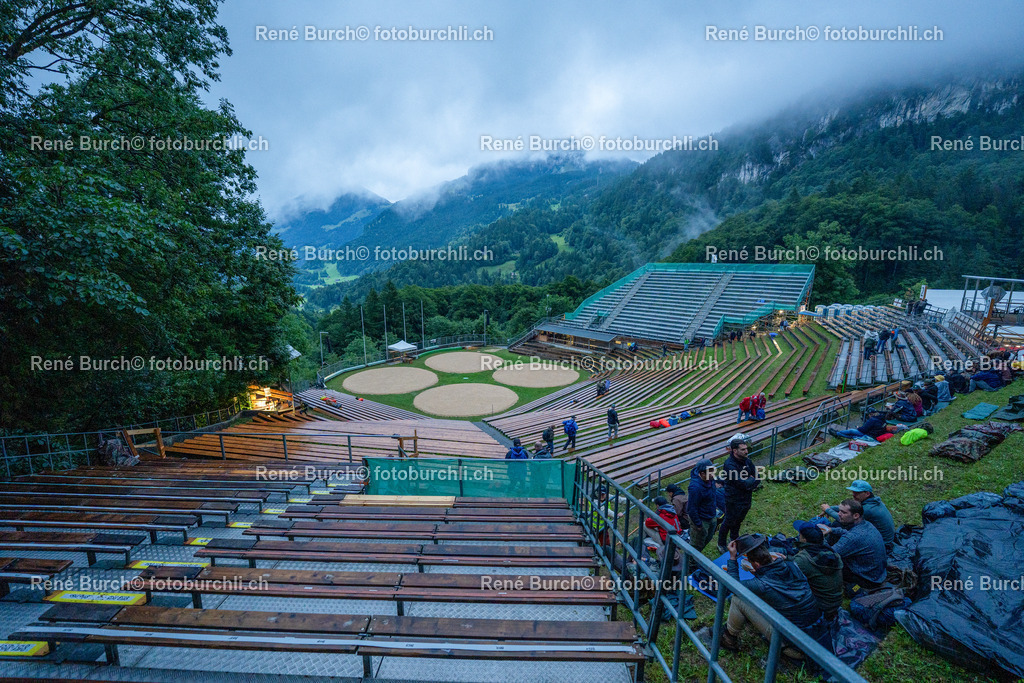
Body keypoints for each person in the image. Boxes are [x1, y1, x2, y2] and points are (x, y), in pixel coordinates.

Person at [719, 534, 829, 659]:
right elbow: (779, 584)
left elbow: (733, 586)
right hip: (817, 636)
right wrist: (759, 572)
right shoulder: (792, 565)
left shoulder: (762, 585)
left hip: (796, 648)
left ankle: (728, 638)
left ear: (756, 564)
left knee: (737, 599)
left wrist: (732, 558)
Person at [826, 499, 888, 591]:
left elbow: (829, 555)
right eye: (839, 511)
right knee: (835, 529)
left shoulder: (853, 538)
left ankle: (855, 589)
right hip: (879, 573)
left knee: (828, 565)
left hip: (867, 580)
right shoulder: (867, 525)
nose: (839, 514)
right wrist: (831, 529)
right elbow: (847, 533)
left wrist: (815, 541)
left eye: (843, 512)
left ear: (856, 515)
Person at [820, 481, 895, 552]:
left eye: (857, 493)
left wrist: (828, 510)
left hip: (882, 544)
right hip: (880, 538)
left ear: (867, 493)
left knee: (839, 524)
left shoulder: (868, 509)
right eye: (853, 492)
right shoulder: (873, 501)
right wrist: (830, 508)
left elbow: (843, 519)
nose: (853, 494)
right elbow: (850, 508)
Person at [791, 522, 844, 621]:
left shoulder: (802, 559)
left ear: (804, 540)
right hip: (836, 602)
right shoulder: (833, 554)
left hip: (820, 607)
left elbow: (787, 579)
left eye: (800, 535)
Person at [718, 436, 760, 554]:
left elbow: (757, 477)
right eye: (743, 449)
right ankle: (721, 543)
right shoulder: (729, 465)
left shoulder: (747, 461)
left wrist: (749, 482)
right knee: (729, 521)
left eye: (746, 449)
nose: (746, 451)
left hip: (746, 498)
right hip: (733, 499)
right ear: (734, 451)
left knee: (739, 520)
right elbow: (741, 483)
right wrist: (750, 481)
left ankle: (734, 539)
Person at [686, 459, 720, 551]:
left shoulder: (711, 480)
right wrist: (698, 524)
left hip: (711, 515)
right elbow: (691, 508)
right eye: (710, 472)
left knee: (707, 538)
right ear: (702, 473)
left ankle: (697, 557)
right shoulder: (695, 488)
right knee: (696, 544)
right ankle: (690, 563)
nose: (713, 474)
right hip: (701, 519)